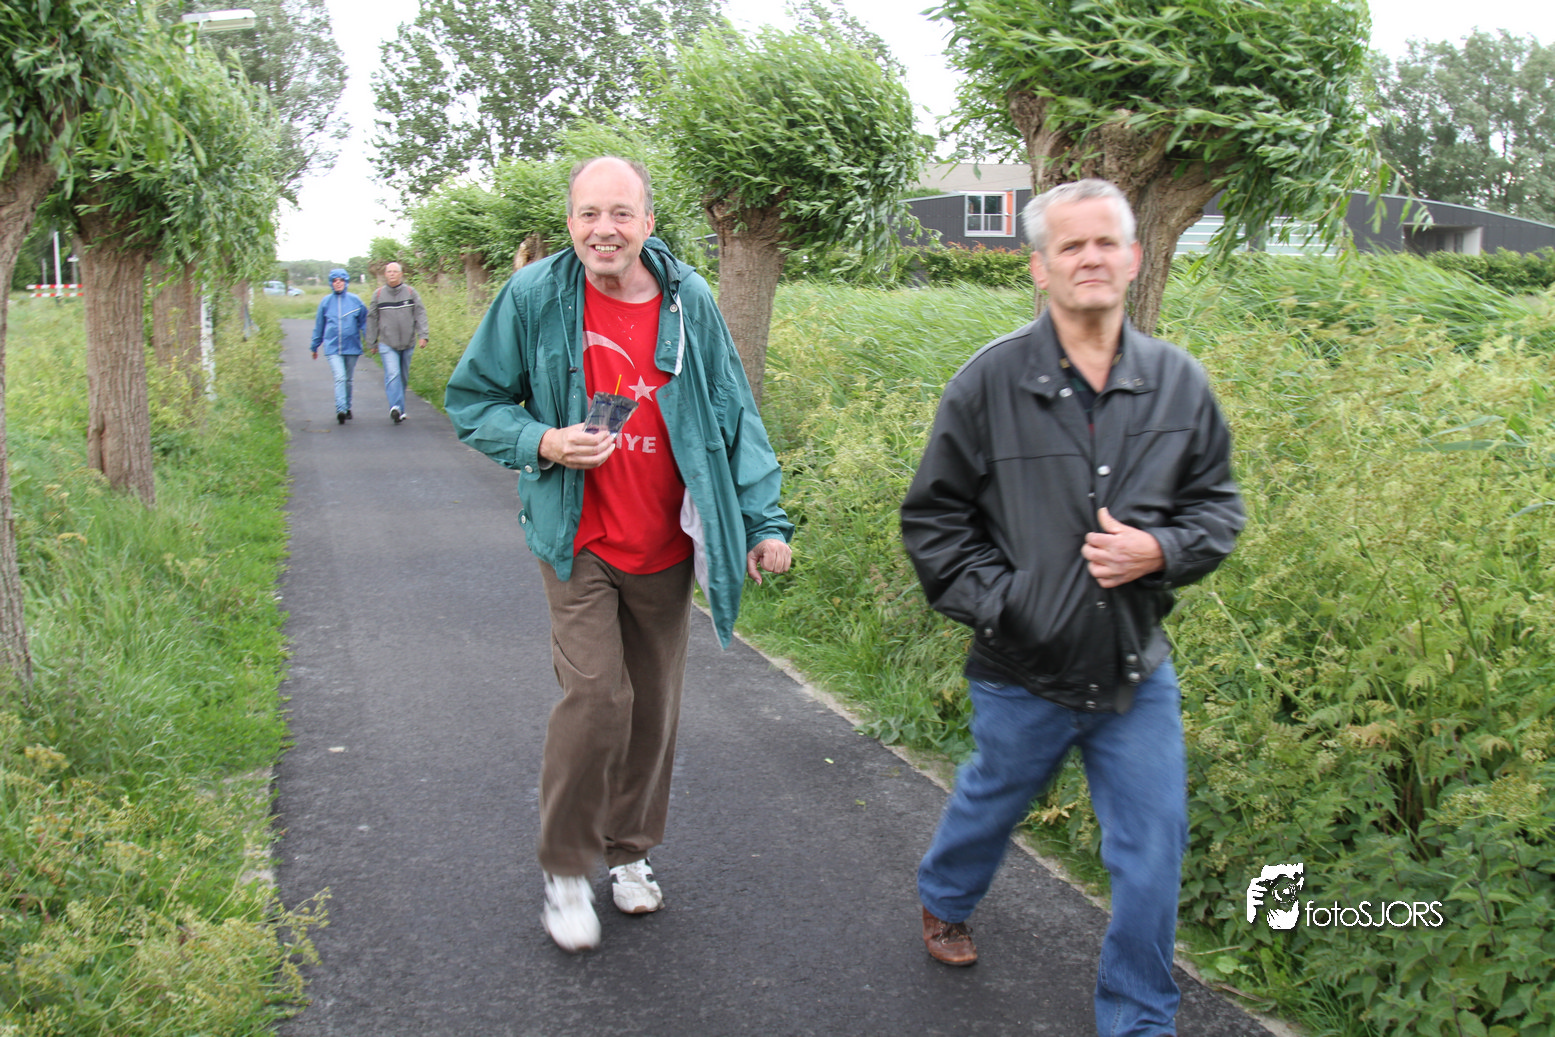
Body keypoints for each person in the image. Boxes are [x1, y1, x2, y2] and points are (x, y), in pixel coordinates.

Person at [901, 178, 1244, 1037]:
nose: (1090, 257)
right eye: (1070, 245)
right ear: (1039, 267)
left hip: (1133, 668)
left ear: (1133, 258)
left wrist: (1161, 549)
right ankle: (945, 894)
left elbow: (1217, 509)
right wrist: (1010, 605)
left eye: (1105, 242)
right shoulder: (987, 383)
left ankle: (1138, 1018)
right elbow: (934, 523)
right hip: (1020, 668)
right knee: (991, 799)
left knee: (1152, 846)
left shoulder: (1177, 383)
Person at [444, 156, 794, 954]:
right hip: (577, 536)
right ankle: (567, 866)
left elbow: (733, 410)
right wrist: (542, 440)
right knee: (599, 696)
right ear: (570, 223)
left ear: (647, 223)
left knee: (652, 707)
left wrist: (763, 520)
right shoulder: (533, 296)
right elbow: (473, 400)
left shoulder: (688, 301)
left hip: (664, 543)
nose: (604, 229)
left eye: (621, 213)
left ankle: (629, 850)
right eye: (589, 214)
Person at [365, 260, 429, 424]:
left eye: (395, 271)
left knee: (403, 377)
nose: (392, 274)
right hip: (387, 343)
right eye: (389, 271)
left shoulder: (411, 292)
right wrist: (372, 342)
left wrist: (423, 335)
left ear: (401, 274)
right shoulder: (378, 294)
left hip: (408, 343)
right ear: (385, 275)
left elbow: (420, 314)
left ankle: (400, 408)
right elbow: (372, 319)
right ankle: (396, 408)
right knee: (393, 374)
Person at [310, 267, 368, 424]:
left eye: (341, 280)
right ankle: (340, 409)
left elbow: (365, 322)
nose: (338, 283)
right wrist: (315, 346)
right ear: (331, 283)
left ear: (346, 282)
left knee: (348, 379)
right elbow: (319, 326)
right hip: (332, 347)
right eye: (334, 281)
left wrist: (370, 341)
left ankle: (347, 407)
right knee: (340, 377)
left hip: (352, 346)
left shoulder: (355, 301)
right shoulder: (326, 302)